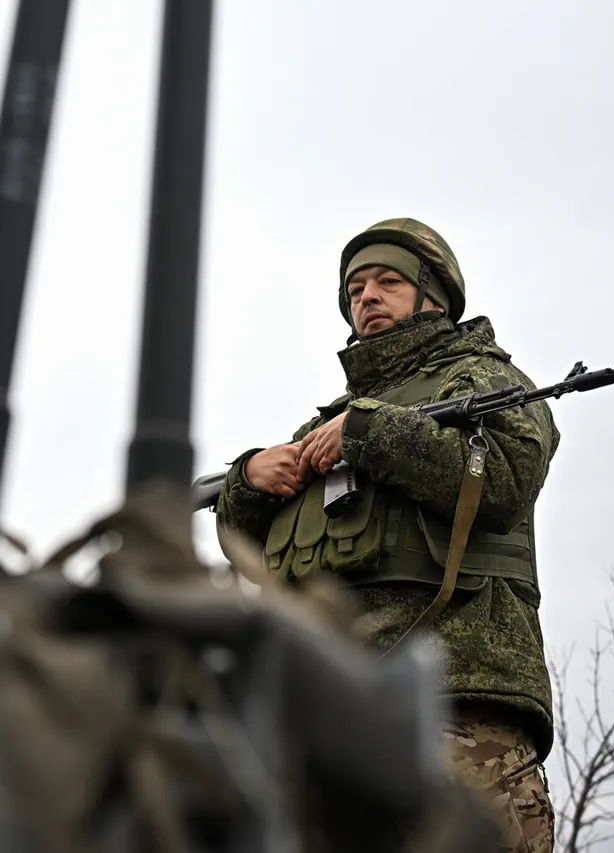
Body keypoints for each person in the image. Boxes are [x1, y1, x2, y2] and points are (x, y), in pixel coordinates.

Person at [215, 218, 558, 850]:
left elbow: (506, 477)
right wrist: (248, 482)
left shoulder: (481, 380)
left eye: (387, 282)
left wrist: (370, 433)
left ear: (435, 297)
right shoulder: (321, 428)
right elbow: (257, 558)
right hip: (332, 712)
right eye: (355, 290)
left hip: (458, 702)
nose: (366, 297)